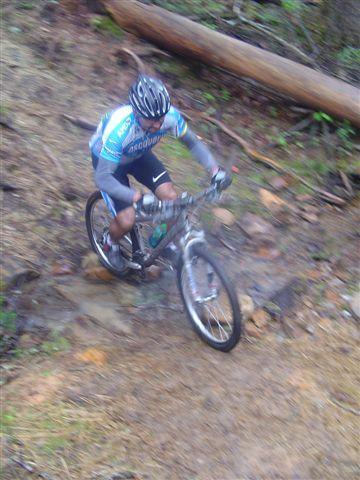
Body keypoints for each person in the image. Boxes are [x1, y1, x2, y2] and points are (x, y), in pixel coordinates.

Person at [89, 74, 230, 270]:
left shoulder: (170, 117)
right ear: (137, 113)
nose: (157, 125)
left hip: (138, 155)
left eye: (160, 119)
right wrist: (135, 196)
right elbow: (103, 178)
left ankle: (161, 242)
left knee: (171, 199)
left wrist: (215, 171)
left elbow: (192, 143)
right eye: (151, 120)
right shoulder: (120, 132)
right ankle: (109, 241)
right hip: (110, 166)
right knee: (127, 219)